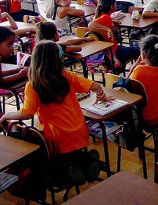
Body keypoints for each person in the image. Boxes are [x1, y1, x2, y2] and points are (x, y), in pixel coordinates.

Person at [0, 40, 112, 184]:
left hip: (58, 140)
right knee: (74, 154)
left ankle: (69, 170)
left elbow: (27, 114)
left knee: (50, 161)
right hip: (81, 133)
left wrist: (7, 115)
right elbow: (96, 86)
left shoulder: (33, 85)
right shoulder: (67, 76)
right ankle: (85, 161)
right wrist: (101, 97)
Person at [129, 35, 158, 126]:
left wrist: (135, 65)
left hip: (144, 117)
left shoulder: (138, 71)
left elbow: (128, 82)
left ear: (143, 55)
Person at [89, 0, 140, 65]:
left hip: (105, 53)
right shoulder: (106, 18)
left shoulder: (99, 16)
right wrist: (107, 29)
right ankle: (137, 71)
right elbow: (91, 24)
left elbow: (97, 22)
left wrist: (111, 21)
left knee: (127, 47)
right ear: (112, 6)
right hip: (113, 53)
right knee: (136, 49)